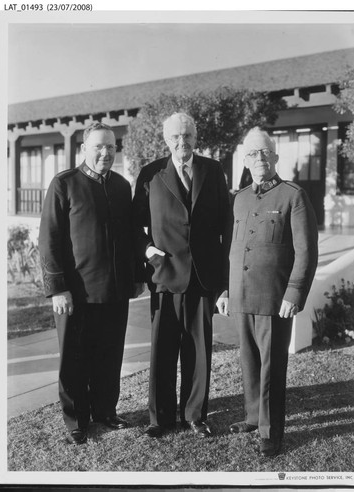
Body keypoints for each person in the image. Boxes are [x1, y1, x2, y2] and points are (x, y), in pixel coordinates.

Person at [38, 122, 144, 445]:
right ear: (84, 149)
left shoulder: (122, 187)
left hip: (114, 291)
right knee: (74, 358)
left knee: (110, 355)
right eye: (99, 146)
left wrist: (137, 276)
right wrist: (57, 288)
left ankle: (105, 411)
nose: (106, 153)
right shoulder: (64, 184)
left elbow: (130, 237)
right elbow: (49, 239)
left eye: (111, 147)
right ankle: (76, 419)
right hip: (76, 294)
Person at [217, 127, 318, 457]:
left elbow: (306, 251)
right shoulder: (240, 198)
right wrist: (225, 291)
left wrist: (294, 292)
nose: (259, 159)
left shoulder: (293, 195)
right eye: (252, 154)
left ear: (275, 157)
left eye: (265, 153)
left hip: (274, 298)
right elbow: (232, 249)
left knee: (272, 367)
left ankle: (270, 433)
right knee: (249, 361)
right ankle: (253, 416)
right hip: (241, 297)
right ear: (245, 161)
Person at [133, 112, 230, 438]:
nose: (182, 142)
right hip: (165, 274)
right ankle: (159, 418)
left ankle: (194, 415)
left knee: (198, 350)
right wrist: (148, 251)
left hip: (203, 278)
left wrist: (224, 283)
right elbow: (133, 224)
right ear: (166, 139)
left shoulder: (213, 170)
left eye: (187, 135)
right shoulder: (150, 174)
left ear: (195, 137)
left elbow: (225, 225)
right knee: (162, 351)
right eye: (175, 136)